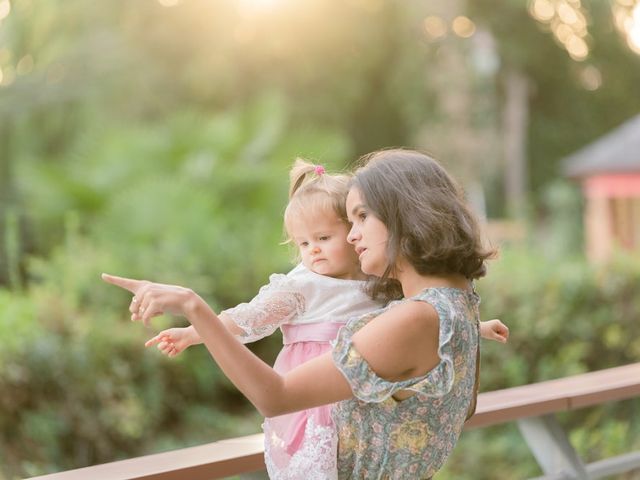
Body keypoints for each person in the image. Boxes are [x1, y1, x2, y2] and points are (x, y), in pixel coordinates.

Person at [103, 149, 500, 479]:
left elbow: (275, 397)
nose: (353, 234)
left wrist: (193, 308)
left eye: (362, 217)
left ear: (403, 215)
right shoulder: (460, 305)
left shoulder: (415, 318)